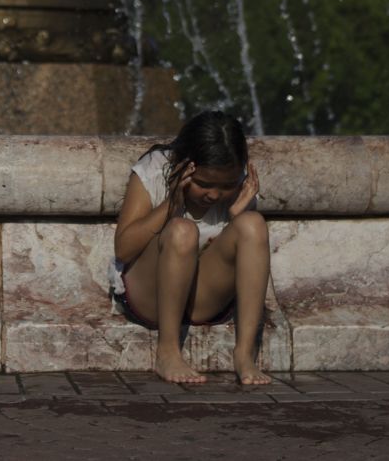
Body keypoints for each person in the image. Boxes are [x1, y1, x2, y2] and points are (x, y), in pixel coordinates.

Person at [110, 109, 271, 386]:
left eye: (226, 186)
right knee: (182, 231)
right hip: (149, 296)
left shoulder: (238, 182)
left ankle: (245, 354)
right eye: (204, 184)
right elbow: (123, 250)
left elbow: (233, 255)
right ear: (185, 166)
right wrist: (172, 205)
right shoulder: (154, 169)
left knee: (253, 224)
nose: (214, 195)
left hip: (202, 299)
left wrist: (235, 216)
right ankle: (168, 351)